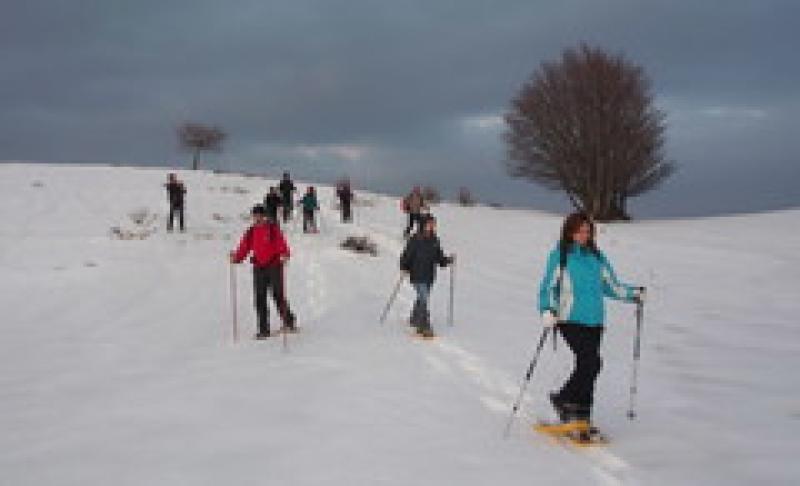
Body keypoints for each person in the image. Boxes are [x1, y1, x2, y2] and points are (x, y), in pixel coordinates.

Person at [538, 212, 644, 423]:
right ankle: (564, 398)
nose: (584, 235)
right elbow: (548, 287)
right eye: (579, 231)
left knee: (587, 365)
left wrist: (634, 294)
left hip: (595, 321)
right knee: (591, 362)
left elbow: (611, 286)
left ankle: (582, 412)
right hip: (569, 319)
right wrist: (547, 310)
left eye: (587, 231)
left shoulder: (598, 258)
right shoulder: (560, 256)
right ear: (569, 232)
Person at [230, 205, 297, 339]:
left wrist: (285, 254)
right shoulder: (251, 231)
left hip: (274, 266)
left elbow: (281, 244)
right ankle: (263, 329)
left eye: (259, 216)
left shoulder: (273, 229)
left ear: (265, 216)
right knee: (259, 298)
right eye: (255, 216)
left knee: (278, 295)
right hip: (259, 267)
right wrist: (236, 257)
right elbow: (244, 247)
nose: (257, 218)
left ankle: (289, 322)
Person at [399, 215, 455, 338]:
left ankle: (414, 318)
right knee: (424, 298)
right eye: (430, 224)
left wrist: (448, 260)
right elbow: (406, 255)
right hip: (417, 274)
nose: (432, 226)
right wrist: (403, 267)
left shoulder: (435, 240)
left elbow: (439, 258)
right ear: (423, 224)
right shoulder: (415, 239)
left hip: (429, 275)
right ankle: (423, 326)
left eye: (433, 224)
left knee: (421, 298)